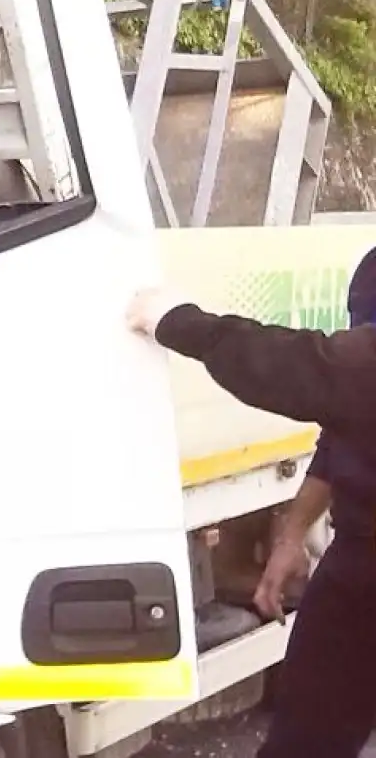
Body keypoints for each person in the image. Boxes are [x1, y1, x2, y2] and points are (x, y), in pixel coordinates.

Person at [129, 250, 376, 758]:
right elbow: (349, 412)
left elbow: (334, 373)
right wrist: (291, 533)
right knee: (304, 741)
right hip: (357, 561)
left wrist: (183, 324)